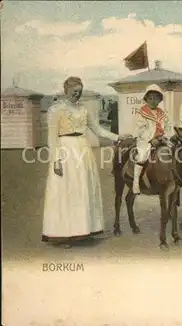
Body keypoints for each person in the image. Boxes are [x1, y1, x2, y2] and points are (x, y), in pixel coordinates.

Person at [42, 77, 131, 248]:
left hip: (83, 150)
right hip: (65, 150)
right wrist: (56, 161)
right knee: (67, 192)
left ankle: (83, 230)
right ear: (66, 90)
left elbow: (97, 129)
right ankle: (65, 234)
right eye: (74, 91)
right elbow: (52, 138)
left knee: (83, 189)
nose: (77, 94)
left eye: (79, 92)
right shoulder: (56, 110)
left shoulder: (83, 109)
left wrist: (118, 137)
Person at [132, 84, 172, 194]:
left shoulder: (162, 114)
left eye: (156, 98)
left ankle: (171, 177)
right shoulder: (142, 112)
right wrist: (151, 139)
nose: (153, 101)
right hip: (145, 140)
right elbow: (141, 129)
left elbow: (168, 127)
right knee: (142, 155)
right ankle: (136, 182)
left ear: (159, 100)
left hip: (161, 139)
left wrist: (165, 137)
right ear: (146, 99)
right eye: (150, 98)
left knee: (173, 150)